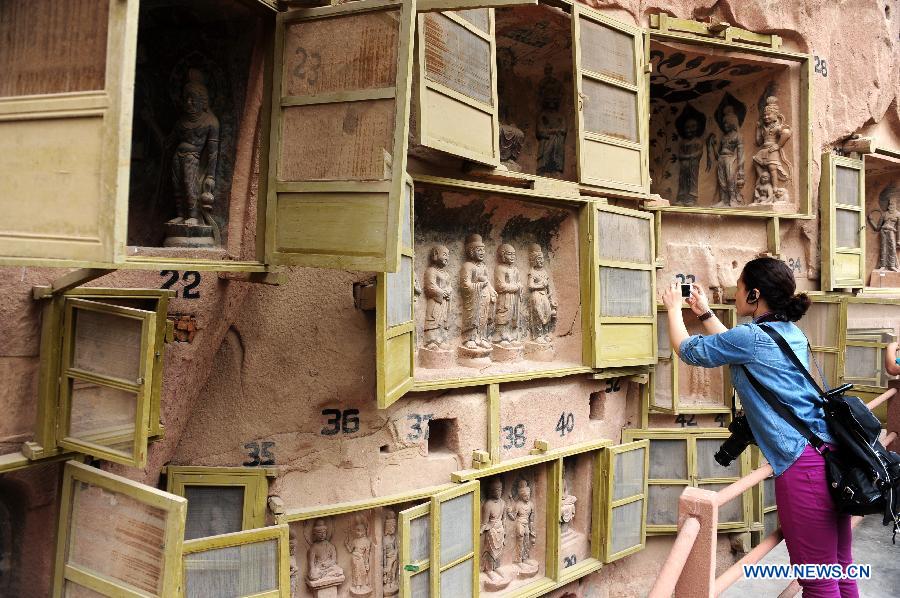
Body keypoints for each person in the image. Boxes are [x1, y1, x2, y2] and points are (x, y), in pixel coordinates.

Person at [661, 257, 857, 598]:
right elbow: (738, 348)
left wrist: (673, 309)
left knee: (817, 581)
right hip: (831, 456)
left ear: (754, 294)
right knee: (839, 567)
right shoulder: (788, 331)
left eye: (738, 288)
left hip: (803, 468)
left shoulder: (751, 337)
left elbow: (689, 351)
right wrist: (705, 313)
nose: (733, 294)